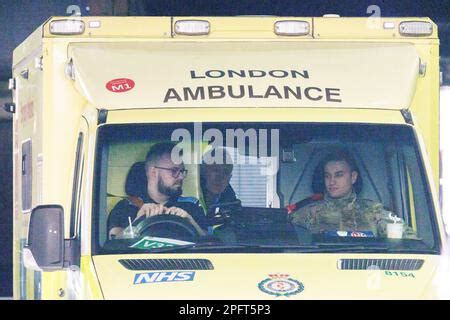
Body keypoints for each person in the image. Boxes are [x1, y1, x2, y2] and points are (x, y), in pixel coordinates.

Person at [290, 149, 415, 238]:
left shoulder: (374, 212)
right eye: (327, 176)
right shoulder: (308, 214)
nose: (332, 181)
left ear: (353, 177)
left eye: (339, 175)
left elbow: (409, 243)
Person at [108, 142, 207, 239]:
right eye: (174, 171)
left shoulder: (191, 205)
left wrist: (190, 221)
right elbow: (113, 240)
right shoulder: (126, 206)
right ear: (154, 172)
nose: (181, 177)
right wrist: (136, 222)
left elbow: (209, 242)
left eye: (182, 171)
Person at [200, 147, 238, 212]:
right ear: (204, 172)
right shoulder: (189, 203)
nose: (220, 177)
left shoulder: (232, 204)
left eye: (226, 172)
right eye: (215, 170)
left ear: (230, 178)